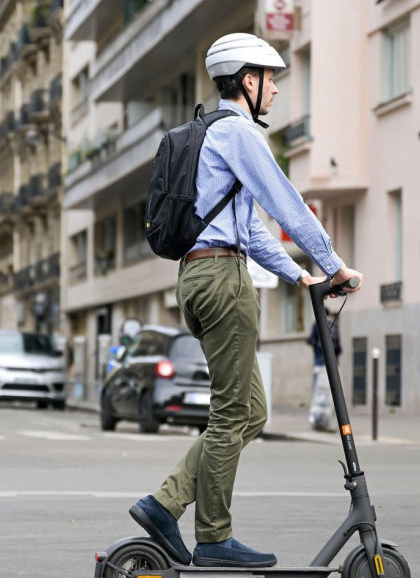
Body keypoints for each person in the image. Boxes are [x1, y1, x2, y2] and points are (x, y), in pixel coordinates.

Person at [128, 33, 363, 569]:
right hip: (224, 281)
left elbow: (249, 229)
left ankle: (165, 504)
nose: (276, 89)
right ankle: (213, 535)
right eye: (271, 77)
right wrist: (335, 265)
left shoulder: (210, 134)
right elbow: (288, 205)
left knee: (251, 411)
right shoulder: (238, 134)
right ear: (247, 81)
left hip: (197, 276)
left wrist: (298, 276)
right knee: (233, 410)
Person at [306, 313, 341, 431]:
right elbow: (339, 348)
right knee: (331, 393)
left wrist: (312, 342)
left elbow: (311, 339)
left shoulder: (317, 324)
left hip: (320, 360)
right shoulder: (334, 325)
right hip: (333, 362)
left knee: (317, 392)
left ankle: (316, 421)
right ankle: (330, 423)